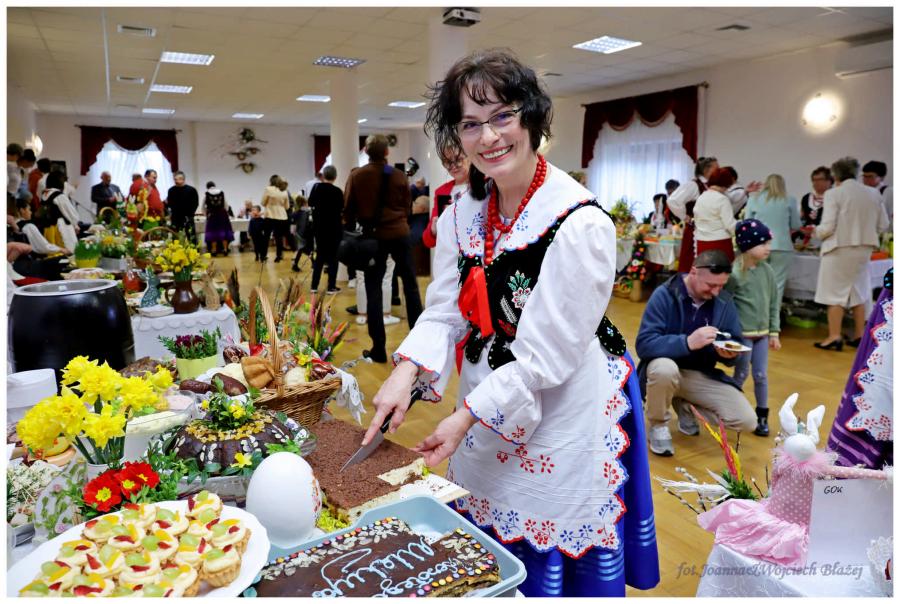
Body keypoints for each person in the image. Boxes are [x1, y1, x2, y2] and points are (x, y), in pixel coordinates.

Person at [361, 49, 658, 596]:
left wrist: (464, 419)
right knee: (483, 524)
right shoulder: (463, 211)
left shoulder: (578, 220)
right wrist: (406, 371)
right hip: (490, 384)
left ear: (532, 116)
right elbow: (447, 308)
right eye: (471, 124)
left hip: (566, 394)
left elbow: (546, 356)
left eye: (502, 116)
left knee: (545, 529)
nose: (489, 137)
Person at [636, 249, 756, 456]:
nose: (716, 292)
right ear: (693, 272)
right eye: (711, 285)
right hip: (664, 371)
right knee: (665, 369)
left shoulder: (724, 302)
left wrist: (728, 355)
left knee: (747, 421)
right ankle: (658, 425)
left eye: (721, 286)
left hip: (700, 375)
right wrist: (687, 342)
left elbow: (734, 340)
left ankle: (685, 405)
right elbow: (644, 344)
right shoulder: (665, 294)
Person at [343, 134, 423, 363]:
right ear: (387, 152)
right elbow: (407, 206)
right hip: (400, 234)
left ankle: (378, 348)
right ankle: (419, 344)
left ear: (366, 152)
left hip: (373, 238)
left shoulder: (357, 176)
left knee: (374, 290)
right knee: (411, 287)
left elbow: (348, 209)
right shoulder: (398, 175)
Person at [810, 157, 890, 350]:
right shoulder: (873, 193)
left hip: (839, 249)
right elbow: (884, 225)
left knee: (834, 293)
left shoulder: (834, 194)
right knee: (858, 292)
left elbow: (827, 227)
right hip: (864, 249)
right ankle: (859, 335)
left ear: (836, 175)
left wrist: (815, 231)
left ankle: (834, 336)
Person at [725, 220, 781, 437]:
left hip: (762, 335)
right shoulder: (734, 274)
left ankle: (762, 416)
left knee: (760, 375)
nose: (768, 248)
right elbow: (725, 305)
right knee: (741, 373)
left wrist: (774, 331)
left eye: (769, 243)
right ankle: (730, 409)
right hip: (743, 336)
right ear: (748, 246)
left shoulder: (768, 271)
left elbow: (774, 302)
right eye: (763, 243)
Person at [744, 173, 800, 306]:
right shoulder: (790, 200)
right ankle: (773, 316)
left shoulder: (754, 199)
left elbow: (747, 223)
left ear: (766, 184)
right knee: (777, 284)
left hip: (758, 246)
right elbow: (796, 225)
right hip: (782, 246)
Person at [667, 156, 718, 273]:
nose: (719, 170)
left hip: (709, 231)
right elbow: (673, 200)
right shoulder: (693, 185)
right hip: (695, 232)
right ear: (706, 170)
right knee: (691, 264)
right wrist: (685, 217)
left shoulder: (710, 186)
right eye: (716, 168)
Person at [304, 165, 344, 292]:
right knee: (333, 258)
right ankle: (331, 286)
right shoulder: (337, 191)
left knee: (320, 256)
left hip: (319, 227)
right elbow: (342, 208)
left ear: (323, 175)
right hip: (334, 228)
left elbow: (310, 203)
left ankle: (314, 286)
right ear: (335, 176)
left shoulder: (316, 188)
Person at [422, 150, 470, 249]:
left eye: (458, 159)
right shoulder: (441, 191)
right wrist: (433, 231)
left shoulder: (487, 185)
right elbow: (428, 241)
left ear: (470, 158)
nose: (453, 166)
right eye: (448, 162)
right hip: (450, 252)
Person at [693, 167, 739, 262]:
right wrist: (743, 226)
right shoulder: (722, 199)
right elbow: (730, 225)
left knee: (705, 269)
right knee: (723, 270)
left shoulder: (701, 197)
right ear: (725, 184)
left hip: (702, 242)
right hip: (720, 242)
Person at [39, 171, 80, 253]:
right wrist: (75, 224)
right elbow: (72, 214)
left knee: (56, 253)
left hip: (48, 228)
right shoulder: (59, 196)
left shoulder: (44, 194)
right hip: (61, 227)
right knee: (69, 251)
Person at [260, 174, 290, 262]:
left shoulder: (268, 189)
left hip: (270, 215)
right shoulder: (284, 191)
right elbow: (287, 206)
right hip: (281, 216)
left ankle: (263, 256)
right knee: (279, 237)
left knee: (266, 236)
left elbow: (262, 202)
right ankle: (279, 256)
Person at [166, 171, 199, 243]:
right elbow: (170, 204)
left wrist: (189, 215)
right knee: (176, 239)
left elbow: (195, 204)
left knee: (191, 238)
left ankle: (193, 250)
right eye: (175, 179)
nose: (176, 181)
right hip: (176, 218)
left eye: (178, 179)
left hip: (188, 218)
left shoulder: (191, 190)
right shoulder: (171, 190)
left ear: (183, 179)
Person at [202, 181, 234, 256]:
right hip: (222, 214)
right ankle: (225, 249)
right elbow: (226, 205)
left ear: (207, 187)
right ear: (214, 185)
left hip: (212, 215)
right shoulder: (221, 192)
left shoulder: (206, 194)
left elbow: (203, 206)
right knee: (224, 232)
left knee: (213, 233)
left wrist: (205, 214)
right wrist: (226, 212)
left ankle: (214, 250)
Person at [862, 160, 892, 227]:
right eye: (864, 176)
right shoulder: (863, 192)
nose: (866, 180)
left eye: (870, 176)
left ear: (882, 177)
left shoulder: (889, 192)